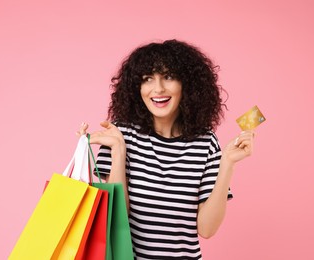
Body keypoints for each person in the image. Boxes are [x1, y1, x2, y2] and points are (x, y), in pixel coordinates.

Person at [77, 39, 254, 260]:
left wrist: (227, 162)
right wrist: (119, 152)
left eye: (168, 77)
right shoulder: (120, 134)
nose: (158, 89)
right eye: (147, 79)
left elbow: (207, 230)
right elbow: (115, 220)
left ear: (187, 85)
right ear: (136, 88)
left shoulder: (206, 142)